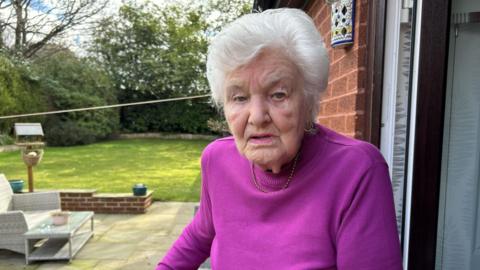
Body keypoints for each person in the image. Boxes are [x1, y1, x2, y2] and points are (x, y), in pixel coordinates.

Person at [157, 8, 402, 270]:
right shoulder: (217, 160)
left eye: (277, 94)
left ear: (308, 101)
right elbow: (199, 235)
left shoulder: (356, 171)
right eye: (239, 98)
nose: (257, 117)